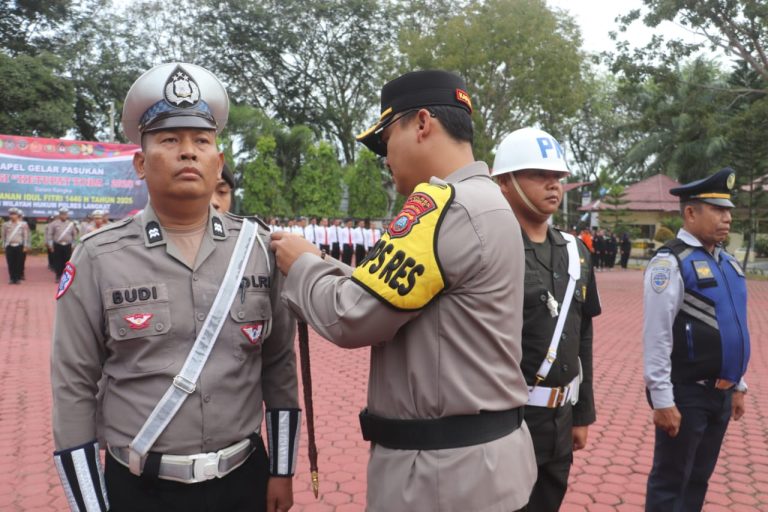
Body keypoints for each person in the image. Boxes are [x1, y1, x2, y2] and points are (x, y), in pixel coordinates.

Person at [271, 70, 536, 512]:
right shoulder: (486, 201)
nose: (385, 156)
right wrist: (320, 262)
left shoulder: (442, 204)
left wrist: (299, 267)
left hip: (440, 476)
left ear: (422, 124)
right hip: (481, 464)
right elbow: (391, 290)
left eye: (386, 137)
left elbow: (351, 315)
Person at [51, 62, 300, 512]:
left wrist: (282, 470)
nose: (189, 152)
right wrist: (90, 505)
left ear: (218, 161)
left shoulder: (259, 248)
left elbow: (279, 364)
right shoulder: (98, 257)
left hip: (243, 480)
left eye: (202, 141)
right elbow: (73, 385)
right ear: (141, 163)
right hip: (142, 489)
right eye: (170, 140)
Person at [492, 127, 600, 512]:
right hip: (504, 424)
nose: (553, 186)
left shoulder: (576, 253)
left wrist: (581, 413)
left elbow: (582, 337)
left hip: (559, 419)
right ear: (504, 182)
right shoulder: (490, 249)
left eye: (558, 178)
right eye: (539, 175)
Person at [644, 167, 750, 511]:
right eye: (718, 210)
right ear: (690, 213)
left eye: (729, 210)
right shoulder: (671, 262)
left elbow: (733, 328)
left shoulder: (728, 263)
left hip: (720, 394)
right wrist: (662, 400)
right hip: (686, 393)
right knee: (670, 483)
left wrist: (738, 385)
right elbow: (656, 336)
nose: (727, 218)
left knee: (698, 481)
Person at [46, 206, 77, 282]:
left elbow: (75, 235)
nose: (63, 216)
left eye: (65, 214)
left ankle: (66, 276)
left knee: (67, 261)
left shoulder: (71, 224)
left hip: (68, 245)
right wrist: (50, 245)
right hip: (57, 245)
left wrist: (74, 245)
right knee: (58, 261)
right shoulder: (54, 224)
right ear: (59, 215)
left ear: (67, 215)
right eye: (62, 214)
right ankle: (58, 276)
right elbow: (50, 234)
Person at [3, 207, 30, 284]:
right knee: (10, 263)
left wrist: (25, 246)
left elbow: (25, 236)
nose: (12, 216)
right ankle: (12, 278)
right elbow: (4, 236)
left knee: (19, 263)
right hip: (9, 246)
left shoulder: (23, 224)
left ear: (17, 215)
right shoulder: (6, 225)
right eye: (11, 214)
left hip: (19, 246)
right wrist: (4, 246)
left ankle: (17, 278)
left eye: (14, 214)